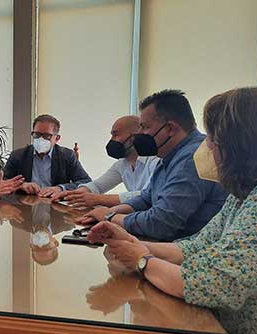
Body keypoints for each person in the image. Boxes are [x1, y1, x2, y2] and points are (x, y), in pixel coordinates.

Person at [87, 87, 257, 334]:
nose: (208, 146)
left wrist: (142, 259)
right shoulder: (244, 194)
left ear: (241, 145)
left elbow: (216, 283)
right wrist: (132, 243)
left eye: (214, 139)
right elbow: (195, 246)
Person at [78, 90, 227, 241]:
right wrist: (110, 213)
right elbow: (145, 199)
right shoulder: (168, 154)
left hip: (186, 249)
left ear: (170, 128)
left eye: (144, 127)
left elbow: (160, 224)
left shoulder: (193, 158)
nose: (139, 134)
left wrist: (109, 217)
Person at [54, 115, 159, 207]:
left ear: (134, 137)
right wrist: (74, 194)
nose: (112, 140)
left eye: (116, 135)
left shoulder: (155, 161)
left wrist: (97, 199)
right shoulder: (121, 164)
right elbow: (97, 185)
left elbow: (147, 195)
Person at [3, 114, 92, 198]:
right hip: (25, 203)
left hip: (55, 203)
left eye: (46, 136)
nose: (40, 139)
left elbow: (86, 182)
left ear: (57, 138)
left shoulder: (67, 156)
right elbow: (1, 180)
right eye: (37, 135)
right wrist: (21, 185)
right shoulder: (18, 155)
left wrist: (60, 188)